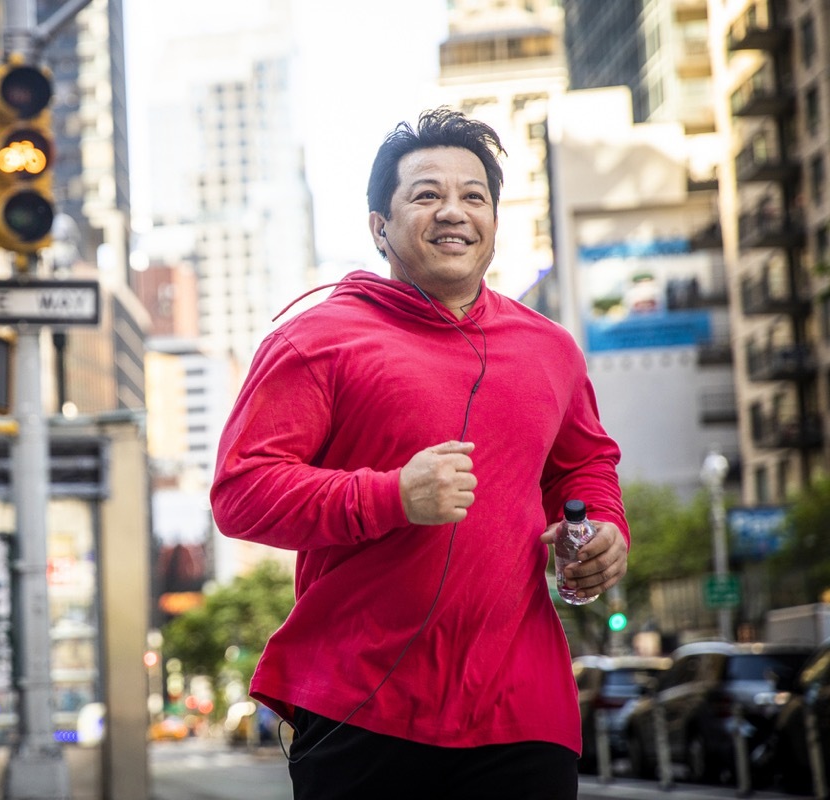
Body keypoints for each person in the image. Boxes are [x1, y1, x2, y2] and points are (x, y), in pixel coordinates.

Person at [209, 107, 630, 800]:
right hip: (361, 701)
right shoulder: (314, 339)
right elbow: (241, 492)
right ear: (380, 226)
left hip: (523, 710)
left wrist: (603, 530)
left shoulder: (550, 347)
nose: (454, 211)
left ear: (495, 219)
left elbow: (582, 463)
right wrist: (392, 496)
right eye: (426, 194)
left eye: (474, 195)